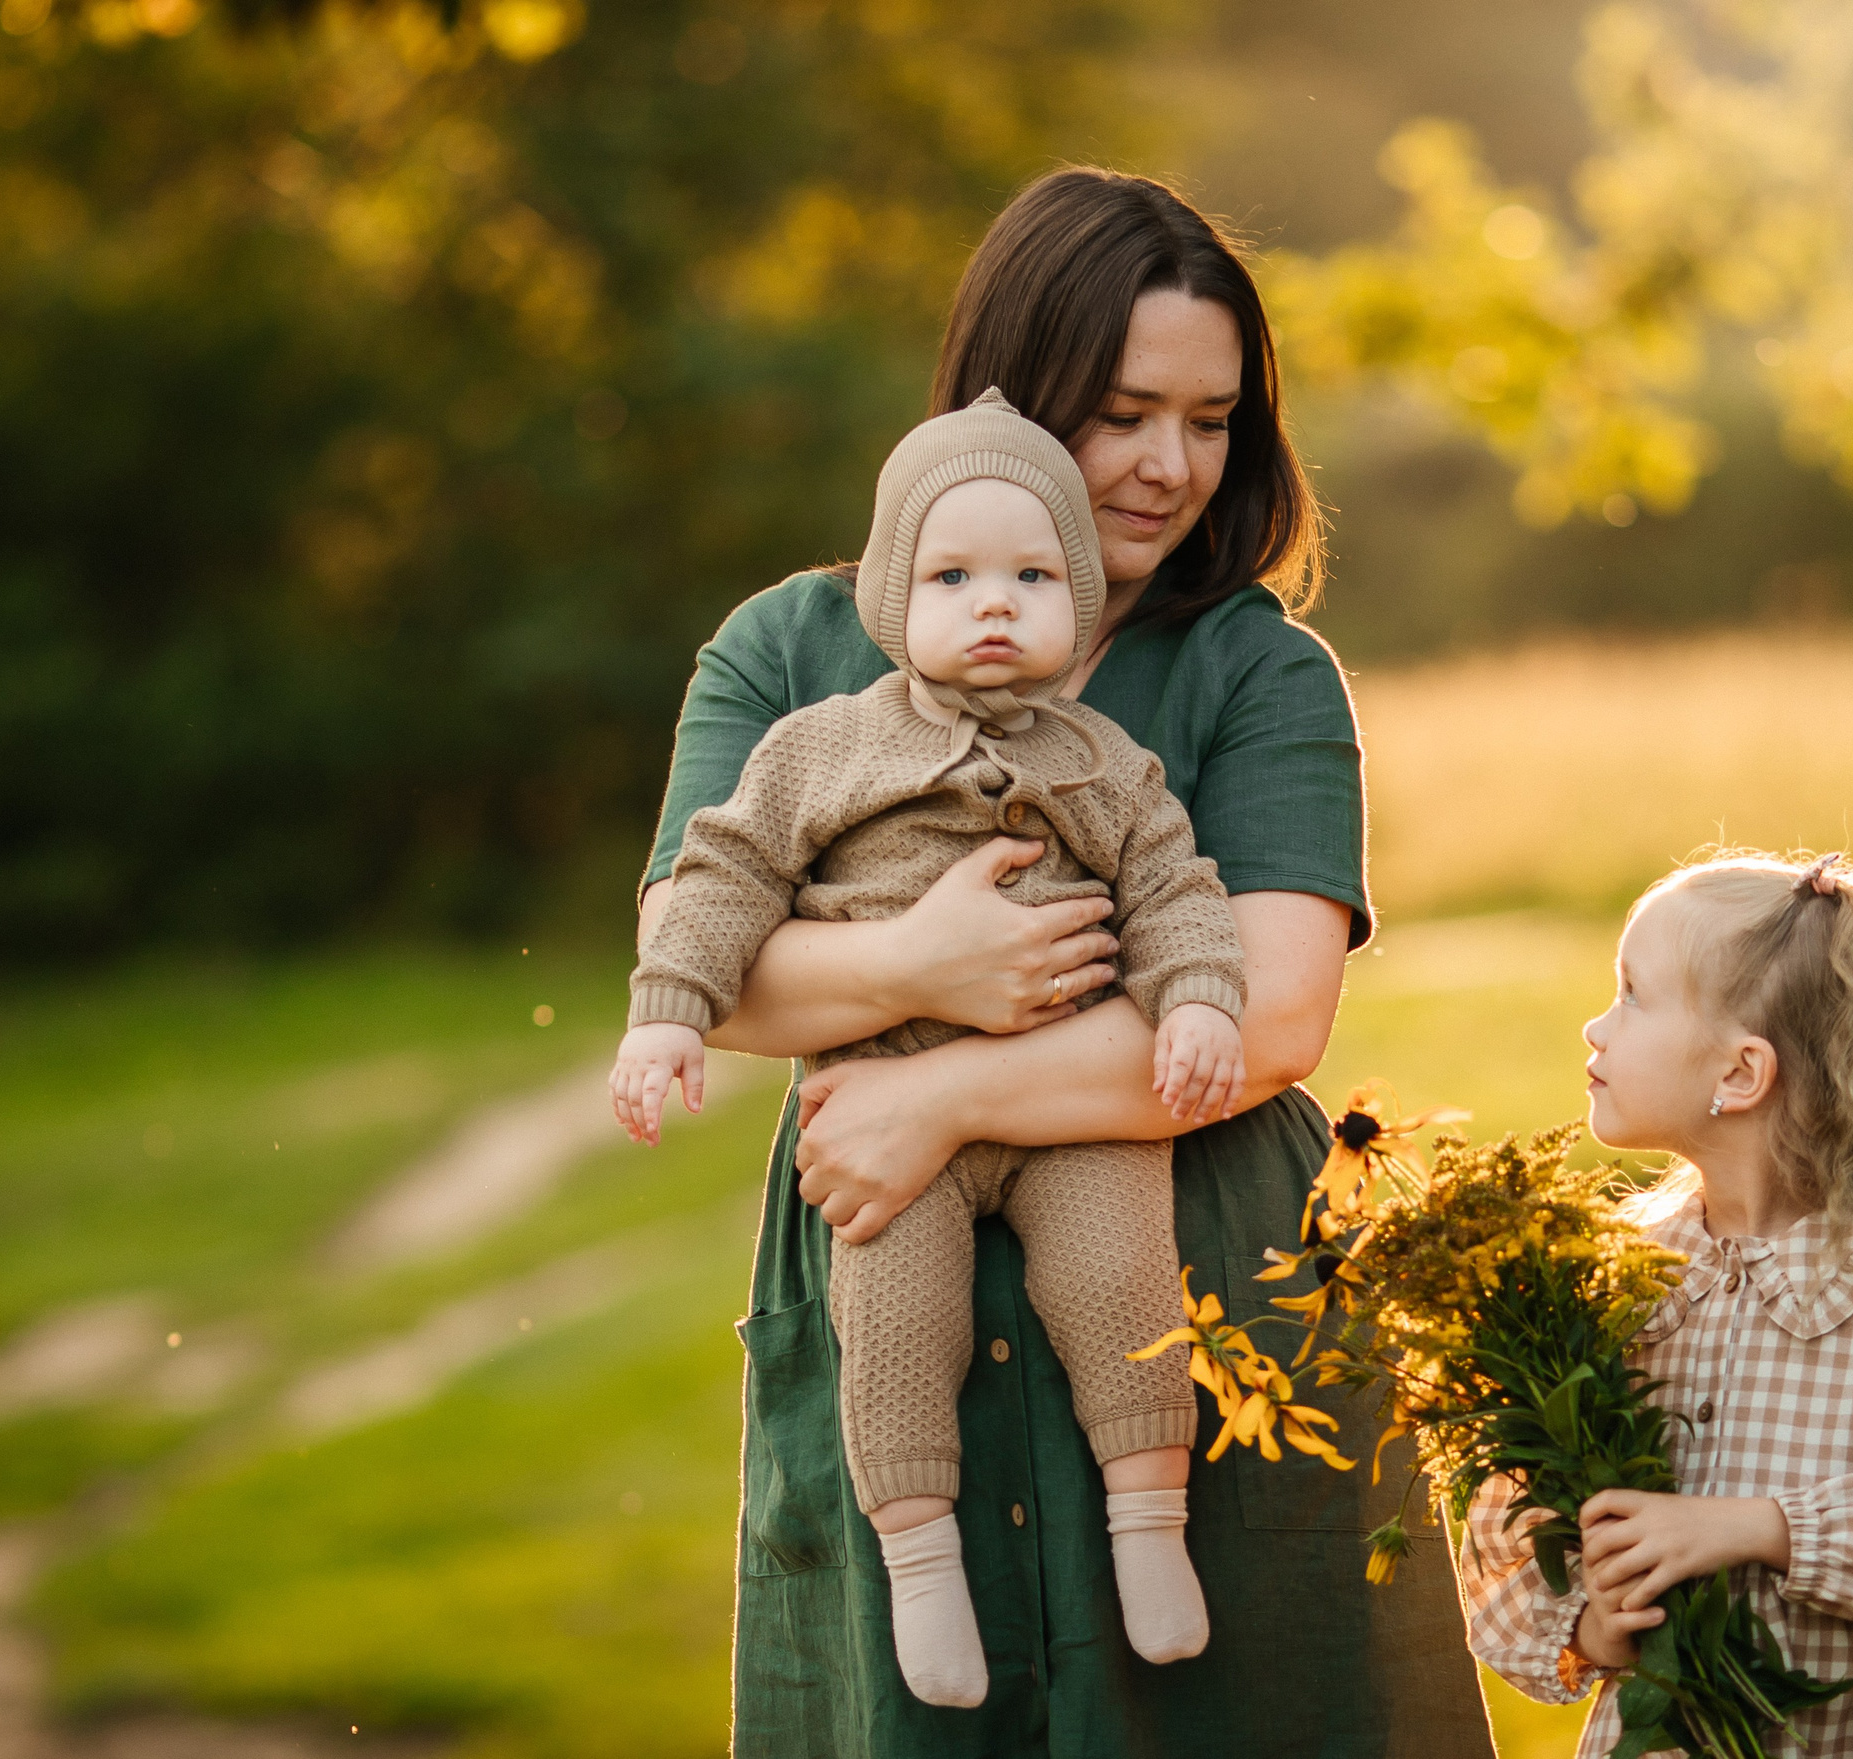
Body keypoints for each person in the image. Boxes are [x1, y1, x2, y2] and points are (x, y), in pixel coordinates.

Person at [623, 168, 1495, 1756]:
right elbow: (705, 960)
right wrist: (930, 959)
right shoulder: (789, 652)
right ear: (1005, 397)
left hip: (1206, 1271)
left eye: (1213, 419)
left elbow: (1278, 1007)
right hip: (893, 1255)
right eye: (1124, 410)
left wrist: (939, 1090)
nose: (1171, 464)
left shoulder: (1252, 665)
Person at [613, 389, 1248, 1707]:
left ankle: (1150, 1529)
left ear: (1078, 597)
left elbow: (1178, 888)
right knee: (898, 1322)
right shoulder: (823, 745)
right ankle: (920, 1561)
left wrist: (1195, 1002)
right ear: (895, 596)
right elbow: (723, 875)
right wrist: (667, 1007)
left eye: (1031, 575)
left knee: (1125, 1291)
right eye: (954, 575)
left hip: (1073, 1100)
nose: (996, 602)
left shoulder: (1108, 764)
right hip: (882, 1094)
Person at [1461, 851, 1853, 1757]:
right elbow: (1518, 1522)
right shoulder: (1619, 1277)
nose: (1595, 1028)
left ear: (1741, 1074)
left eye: (1632, 994)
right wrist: (1598, 1625)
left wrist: (1754, 1528)